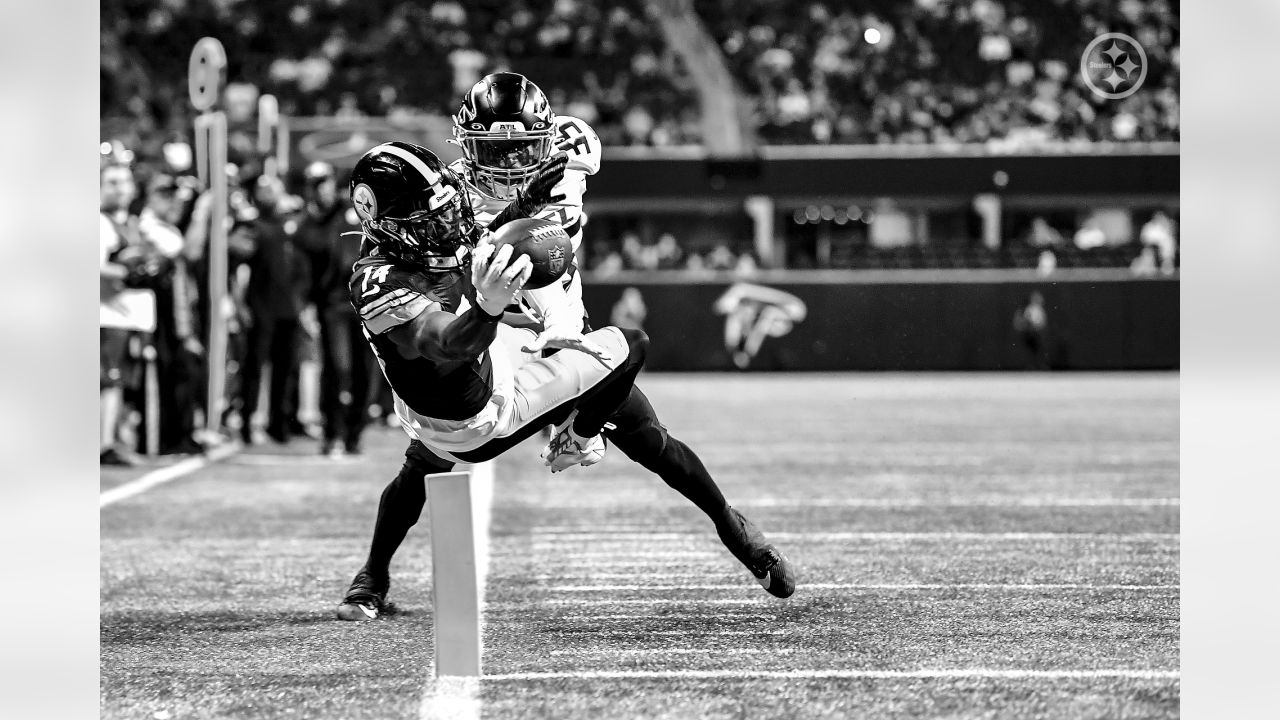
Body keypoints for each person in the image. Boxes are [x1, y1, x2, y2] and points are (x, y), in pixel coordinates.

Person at [336, 141, 795, 620]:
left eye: (450, 205)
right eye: (433, 218)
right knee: (629, 347)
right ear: (387, 226)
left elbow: (476, 258)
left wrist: (521, 209)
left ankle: (370, 580)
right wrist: (491, 306)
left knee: (635, 418)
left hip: (473, 372)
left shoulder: (423, 232)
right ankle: (580, 435)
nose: (450, 222)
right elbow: (449, 343)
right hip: (473, 412)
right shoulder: (378, 280)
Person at [297, 161, 375, 455]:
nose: (323, 189)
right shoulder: (308, 225)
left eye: (325, 182)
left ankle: (355, 432)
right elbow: (305, 271)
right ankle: (333, 432)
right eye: (316, 184)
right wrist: (305, 306)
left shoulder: (355, 213)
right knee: (337, 368)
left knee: (364, 371)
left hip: (364, 302)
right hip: (331, 304)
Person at [238, 175, 310, 444]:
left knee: (286, 369)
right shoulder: (252, 225)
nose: (268, 194)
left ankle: (279, 424)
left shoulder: (292, 226)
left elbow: (303, 266)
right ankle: (246, 423)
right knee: (254, 367)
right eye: (263, 190)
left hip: (289, 307)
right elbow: (238, 256)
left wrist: (303, 303)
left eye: (273, 190)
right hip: (261, 306)